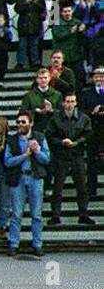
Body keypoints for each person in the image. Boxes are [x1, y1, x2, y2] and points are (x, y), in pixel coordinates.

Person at [3, 110, 51, 256]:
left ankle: (37, 243)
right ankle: (13, 243)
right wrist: (24, 155)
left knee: (36, 214)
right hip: (19, 178)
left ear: (31, 123)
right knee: (16, 213)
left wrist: (36, 151)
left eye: (23, 122)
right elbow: (7, 161)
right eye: (18, 122)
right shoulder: (11, 140)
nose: (20, 124)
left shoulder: (40, 137)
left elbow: (46, 159)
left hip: (35, 177)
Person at [46, 90, 93, 225]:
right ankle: (55, 215)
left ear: (76, 103)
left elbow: (88, 135)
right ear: (63, 103)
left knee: (82, 187)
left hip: (77, 155)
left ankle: (83, 214)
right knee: (58, 188)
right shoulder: (55, 119)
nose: (70, 104)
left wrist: (77, 142)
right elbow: (49, 136)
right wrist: (61, 142)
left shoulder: (84, 118)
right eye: (67, 101)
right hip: (61, 156)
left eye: (72, 101)